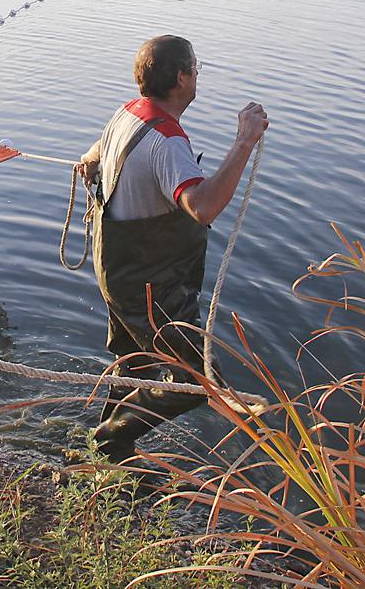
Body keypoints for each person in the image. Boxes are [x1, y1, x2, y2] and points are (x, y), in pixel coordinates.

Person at [78, 35, 268, 462]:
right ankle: (109, 438)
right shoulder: (168, 143)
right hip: (151, 288)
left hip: (116, 273)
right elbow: (201, 207)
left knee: (136, 365)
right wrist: (244, 142)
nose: (198, 75)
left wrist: (92, 158)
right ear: (181, 78)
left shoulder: (128, 112)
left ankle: (111, 457)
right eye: (197, 68)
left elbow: (100, 144)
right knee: (197, 381)